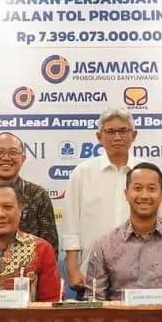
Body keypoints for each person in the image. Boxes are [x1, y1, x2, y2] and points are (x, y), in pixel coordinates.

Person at [84, 163, 162, 300]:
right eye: (137, 188)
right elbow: (94, 301)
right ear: (126, 194)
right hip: (120, 314)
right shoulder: (104, 245)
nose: (144, 195)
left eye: (151, 189)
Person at [62, 108, 139, 291]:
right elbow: (71, 227)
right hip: (92, 272)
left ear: (134, 135)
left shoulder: (146, 171)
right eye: (110, 131)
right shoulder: (82, 173)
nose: (117, 137)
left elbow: (160, 222)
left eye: (123, 131)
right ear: (99, 136)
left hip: (139, 271)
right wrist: (73, 269)